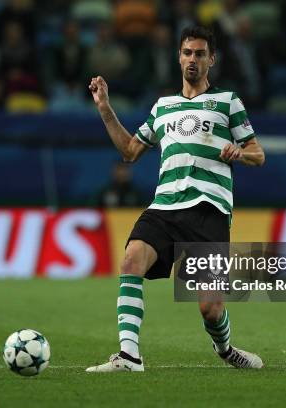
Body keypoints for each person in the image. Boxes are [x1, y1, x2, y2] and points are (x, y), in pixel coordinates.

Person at [86, 26, 265, 372]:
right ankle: (129, 356)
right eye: (187, 53)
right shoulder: (163, 107)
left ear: (211, 60)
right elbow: (130, 150)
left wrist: (239, 153)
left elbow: (258, 154)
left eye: (200, 54)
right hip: (165, 206)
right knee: (131, 260)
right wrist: (105, 108)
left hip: (208, 209)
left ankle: (225, 348)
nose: (192, 60)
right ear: (178, 57)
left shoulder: (228, 102)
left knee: (210, 309)